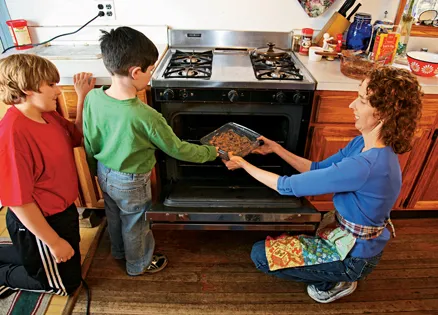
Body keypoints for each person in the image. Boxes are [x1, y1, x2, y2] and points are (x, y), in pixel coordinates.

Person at [223, 67, 423, 303]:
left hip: (354, 257)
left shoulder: (366, 165)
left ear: (382, 113)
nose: (352, 106)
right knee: (282, 244)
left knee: (260, 256)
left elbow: (285, 186)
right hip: (346, 236)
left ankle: (337, 282)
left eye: (361, 100)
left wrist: (243, 164)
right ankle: (336, 269)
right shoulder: (363, 144)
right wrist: (276, 149)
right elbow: (315, 169)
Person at [82, 26, 218, 276]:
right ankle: (138, 265)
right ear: (136, 72)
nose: (151, 74)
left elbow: (88, 139)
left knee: (114, 215)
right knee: (136, 223)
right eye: (151, 69)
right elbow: (178, 149)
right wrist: (211, 152)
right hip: (131, 181)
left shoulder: (93, 98)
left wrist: (94, 171)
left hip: (105, 172)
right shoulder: (145, 116)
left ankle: (119, 252)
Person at [0, 54, 95, 297]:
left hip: (64, 211)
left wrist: (82, 97)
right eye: (51, 85)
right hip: (41, 220)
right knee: (63, 284)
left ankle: (28, 254)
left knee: (68, 258)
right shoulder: (13, 135)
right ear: (26, 88)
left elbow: (75, 135)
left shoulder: (47, 114)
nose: (58, 91)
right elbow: (17, 202)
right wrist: (53, 242)